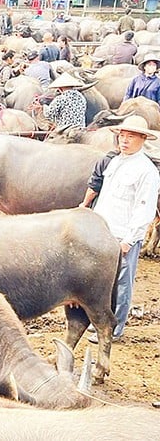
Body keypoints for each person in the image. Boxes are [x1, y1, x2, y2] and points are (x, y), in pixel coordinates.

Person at [89, 116, 160, 344]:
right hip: (103, 231)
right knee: (101, 282)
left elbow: (144, 209)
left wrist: (129, 240)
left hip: (122, 235)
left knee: (121, 283)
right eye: (122, 136)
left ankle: (115, 328)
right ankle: (100, 323)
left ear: (142, 139)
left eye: (131, 137)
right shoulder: (115, 161)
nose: (125, 141)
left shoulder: (146, 171)